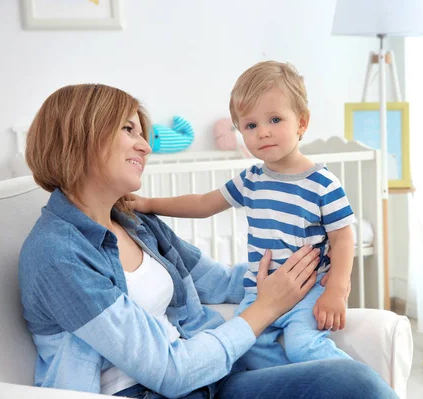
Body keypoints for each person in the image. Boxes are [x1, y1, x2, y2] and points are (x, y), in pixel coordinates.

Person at [19, 83, 397, 399]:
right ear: (79, 136)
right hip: (153, 391)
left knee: (354, 384)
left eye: (141, 133)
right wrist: (266, 307)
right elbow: (169, 371)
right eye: (128, 131)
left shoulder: (138, 225)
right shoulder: (58, 254)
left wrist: (305, 274)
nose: (145, 147)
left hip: (210, 381)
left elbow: (223, 281)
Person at [129, 61, 355, 370]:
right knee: (245, 349)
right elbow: (203, 203)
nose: (263, 132)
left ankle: (361, 384)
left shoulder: (322, 184)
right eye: (250, 125)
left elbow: (344, 239)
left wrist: (337, 290)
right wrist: (149, 204)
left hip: (307, 291)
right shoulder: (250, 180)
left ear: (302, 123)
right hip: (259, 292)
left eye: (275, 119)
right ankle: (289, 386)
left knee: (304, 348)